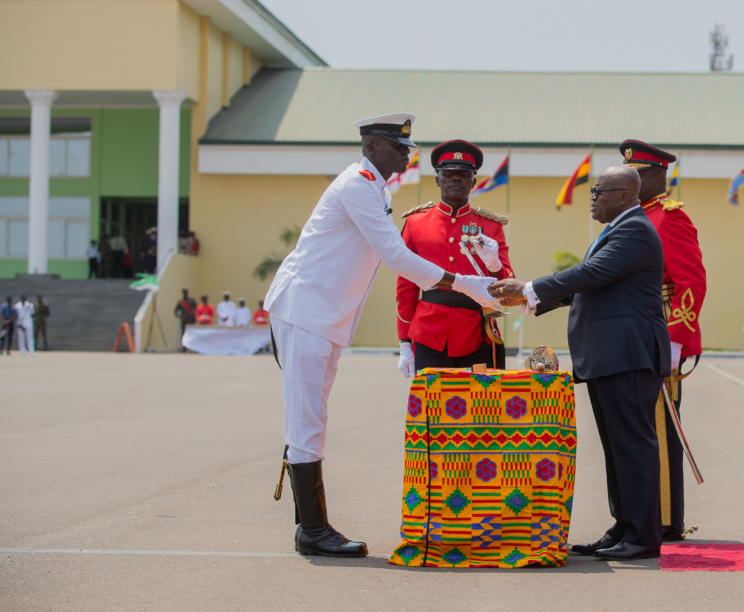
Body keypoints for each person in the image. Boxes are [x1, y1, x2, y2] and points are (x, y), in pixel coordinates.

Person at [263, 112, 497, 559]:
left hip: (323, 315)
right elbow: (395, 255)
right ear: (371, 147)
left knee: (312, 415)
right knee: (306, 417)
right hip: (306, 310)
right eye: (398, 147)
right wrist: (466, 283)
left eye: (408, 148)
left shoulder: (374, 187)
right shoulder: (356, 185)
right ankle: (312, 528)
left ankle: (309, 526)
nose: (406, 155)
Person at [490, 165, 671, 561]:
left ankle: (642, 535)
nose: (592, 198)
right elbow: (594, 286)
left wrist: (530, 287)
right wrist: (530, 297)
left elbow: (593, 273)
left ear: (625, 195)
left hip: (629, 355)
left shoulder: (634, 229)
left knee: (633, 446)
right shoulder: (619, 228)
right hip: (613, 356)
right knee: (617, 447)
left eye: (599, 191)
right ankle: (624, 526)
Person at [622, 139, 706, 542]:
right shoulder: (633, 216)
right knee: (639, 429)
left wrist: (674, 341)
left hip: (659, 337)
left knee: (659, 429)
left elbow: (690, 283)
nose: (631, 181)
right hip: (633, 335)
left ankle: (667, 519)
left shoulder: (669, 218)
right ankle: (643, 516)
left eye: (638, 175)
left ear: (659, 176)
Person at [396, 140, 514, 375]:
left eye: (464, 174)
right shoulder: (415, 223)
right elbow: (406, 287)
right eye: (449, 174)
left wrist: (493, 265)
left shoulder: (490, 226)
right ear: (438, 179)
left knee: (481, 409)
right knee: (432, 409)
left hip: (478, 334)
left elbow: (508, 283)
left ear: (473, 181)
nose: (456, 179)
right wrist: (404, 341)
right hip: (429, 334)